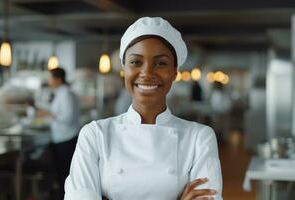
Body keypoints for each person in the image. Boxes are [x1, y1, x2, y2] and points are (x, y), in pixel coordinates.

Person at [65, 17, 222, 200]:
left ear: (174, 72)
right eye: (136, 62)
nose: (147, 73)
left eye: (161, 63)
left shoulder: (199, 138)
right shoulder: (95, 134)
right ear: (124, 69)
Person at [35, 68, 80, 199]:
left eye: (50, 78)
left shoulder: (66, 94)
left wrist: (48, 114)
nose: (48, 81)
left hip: (66, 138)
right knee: (61, 174)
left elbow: (67, 118)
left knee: (65, 175)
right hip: (60, 138)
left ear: (58, 79)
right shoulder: (60, 93)